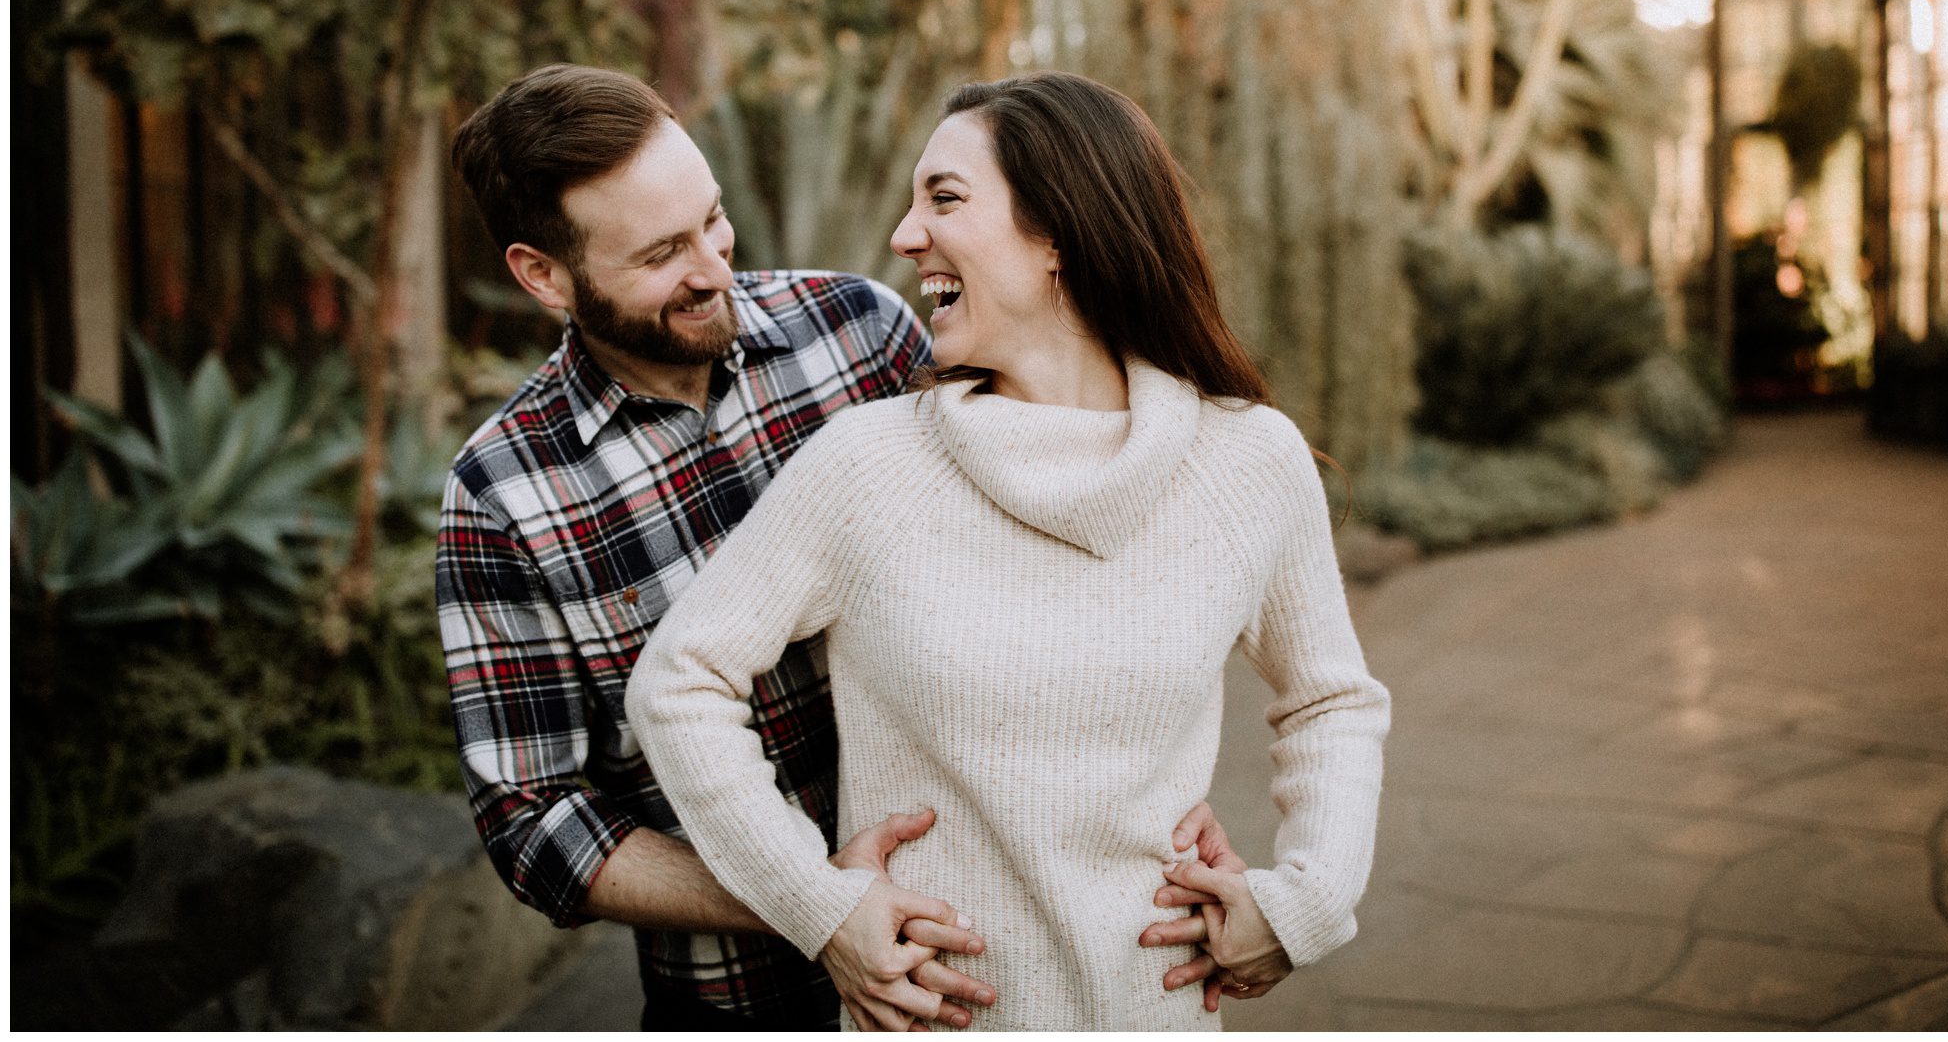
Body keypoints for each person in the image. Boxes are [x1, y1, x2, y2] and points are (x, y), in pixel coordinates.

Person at [435, 64, 1243, 1031]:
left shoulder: (859, 335)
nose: (713, 268)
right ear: (543, 275)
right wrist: (813, 903)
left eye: (714, 220)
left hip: (987, 976)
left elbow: (1053, 545)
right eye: (661, 255)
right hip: (741, 1003)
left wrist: (1139, 792)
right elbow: (533, 822)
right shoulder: (502, 496)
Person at [627, 71, 1391, 1031]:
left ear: (1059, 235)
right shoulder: (870, 465)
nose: (905, 237)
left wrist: (1305, 904)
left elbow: (1329, 700)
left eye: (944, 199)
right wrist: (820, 908)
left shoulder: (1246, 460)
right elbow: (680, 684)